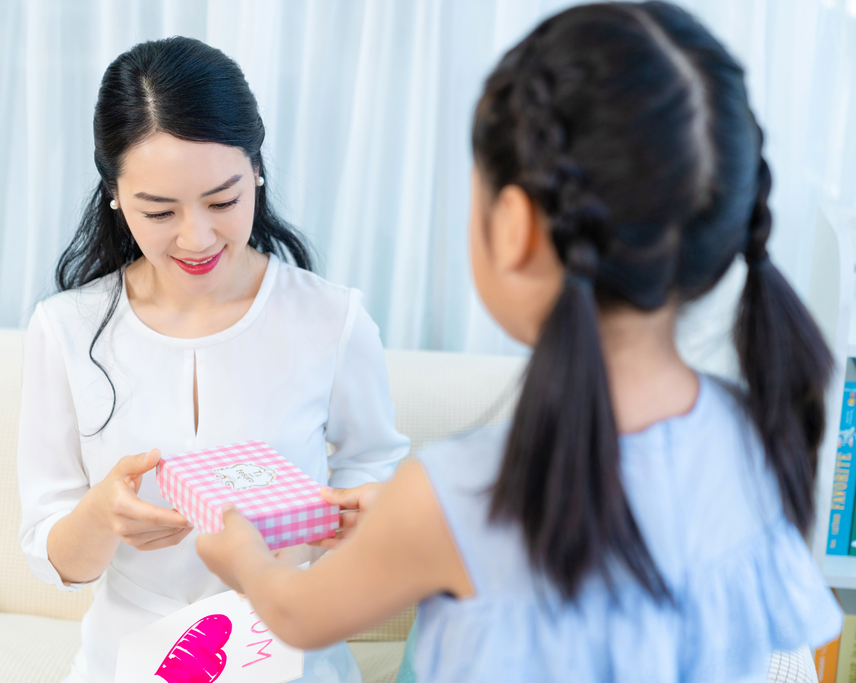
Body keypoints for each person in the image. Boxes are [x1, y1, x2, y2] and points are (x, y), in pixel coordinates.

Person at [195, 3, 844, 681]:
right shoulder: (755, 426)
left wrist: (243, 552)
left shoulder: (460, 493)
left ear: (514, 226)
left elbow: (299, 613)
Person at [16, 37, 409, 683]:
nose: (196, 238)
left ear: (256, 169)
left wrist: (365, 516)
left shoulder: (331, 319)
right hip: (127, 660)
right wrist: (102, 516)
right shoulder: (65, 328)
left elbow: (376, 477)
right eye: (159, 210)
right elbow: (55, 557)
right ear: (115, 192)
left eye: (223, 201)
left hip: (291, 654)